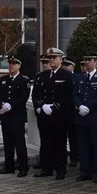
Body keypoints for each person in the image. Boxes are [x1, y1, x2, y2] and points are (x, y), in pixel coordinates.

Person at [32, 47, 73, 180]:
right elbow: (36, 93)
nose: (51, 60)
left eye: (54, 58)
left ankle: (61, 170)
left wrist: (55, 107)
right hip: (45, 114)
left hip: (59, 115)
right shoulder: (42, 76)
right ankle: (47, 168)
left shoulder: (66, 76)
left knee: (59, 143)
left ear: (61, 60)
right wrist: (41, 105)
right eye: (50, 58)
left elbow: (68, 95)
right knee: (46, 142)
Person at [73, 54, 97, 183]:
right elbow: (75, 94)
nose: (87, 63)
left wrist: (88, 107)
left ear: (95, 63)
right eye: (85, 61)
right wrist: (79, 106)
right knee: (83, 146)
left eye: (90, 61)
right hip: (81, 117)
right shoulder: (79, 78)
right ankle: (85, 171)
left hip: (95, 117)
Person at [0, 56, 31, 176]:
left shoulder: (24, 80)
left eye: (14, 63)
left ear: (19, 66)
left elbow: (23, 97)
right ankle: (9, 166)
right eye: (10, 63)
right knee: (7, 142)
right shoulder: (4, 79)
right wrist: (2, 104)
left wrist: (11, 105)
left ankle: (23, 167)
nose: (11, 65)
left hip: (17, 116)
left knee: (19, 142)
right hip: (6, 116)